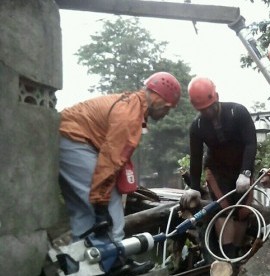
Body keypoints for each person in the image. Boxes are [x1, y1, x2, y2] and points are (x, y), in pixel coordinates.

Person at [58, 72, 181, 273]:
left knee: (84, 214)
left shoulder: (133, 106)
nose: (167, 113)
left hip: (70, 138)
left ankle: (92, 266)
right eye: (168, 107)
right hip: (75, 140)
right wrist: (100, 205)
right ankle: (114, 263)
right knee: (104, 209)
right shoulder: (130, 116)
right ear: (157, 97)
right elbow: (110, 162)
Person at [180, 76, 257, 261]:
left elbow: (250, 143)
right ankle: (226, 257)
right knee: (223, 210)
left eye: (210, 107)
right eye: (203, 110)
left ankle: (238, 255)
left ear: (217, 98)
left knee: (243, 211)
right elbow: (197, 157)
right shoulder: (197, 126)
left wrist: (245, 172)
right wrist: (195, 189)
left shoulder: (236, 112)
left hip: (240, 167)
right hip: (217, 171)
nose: (208, 112)